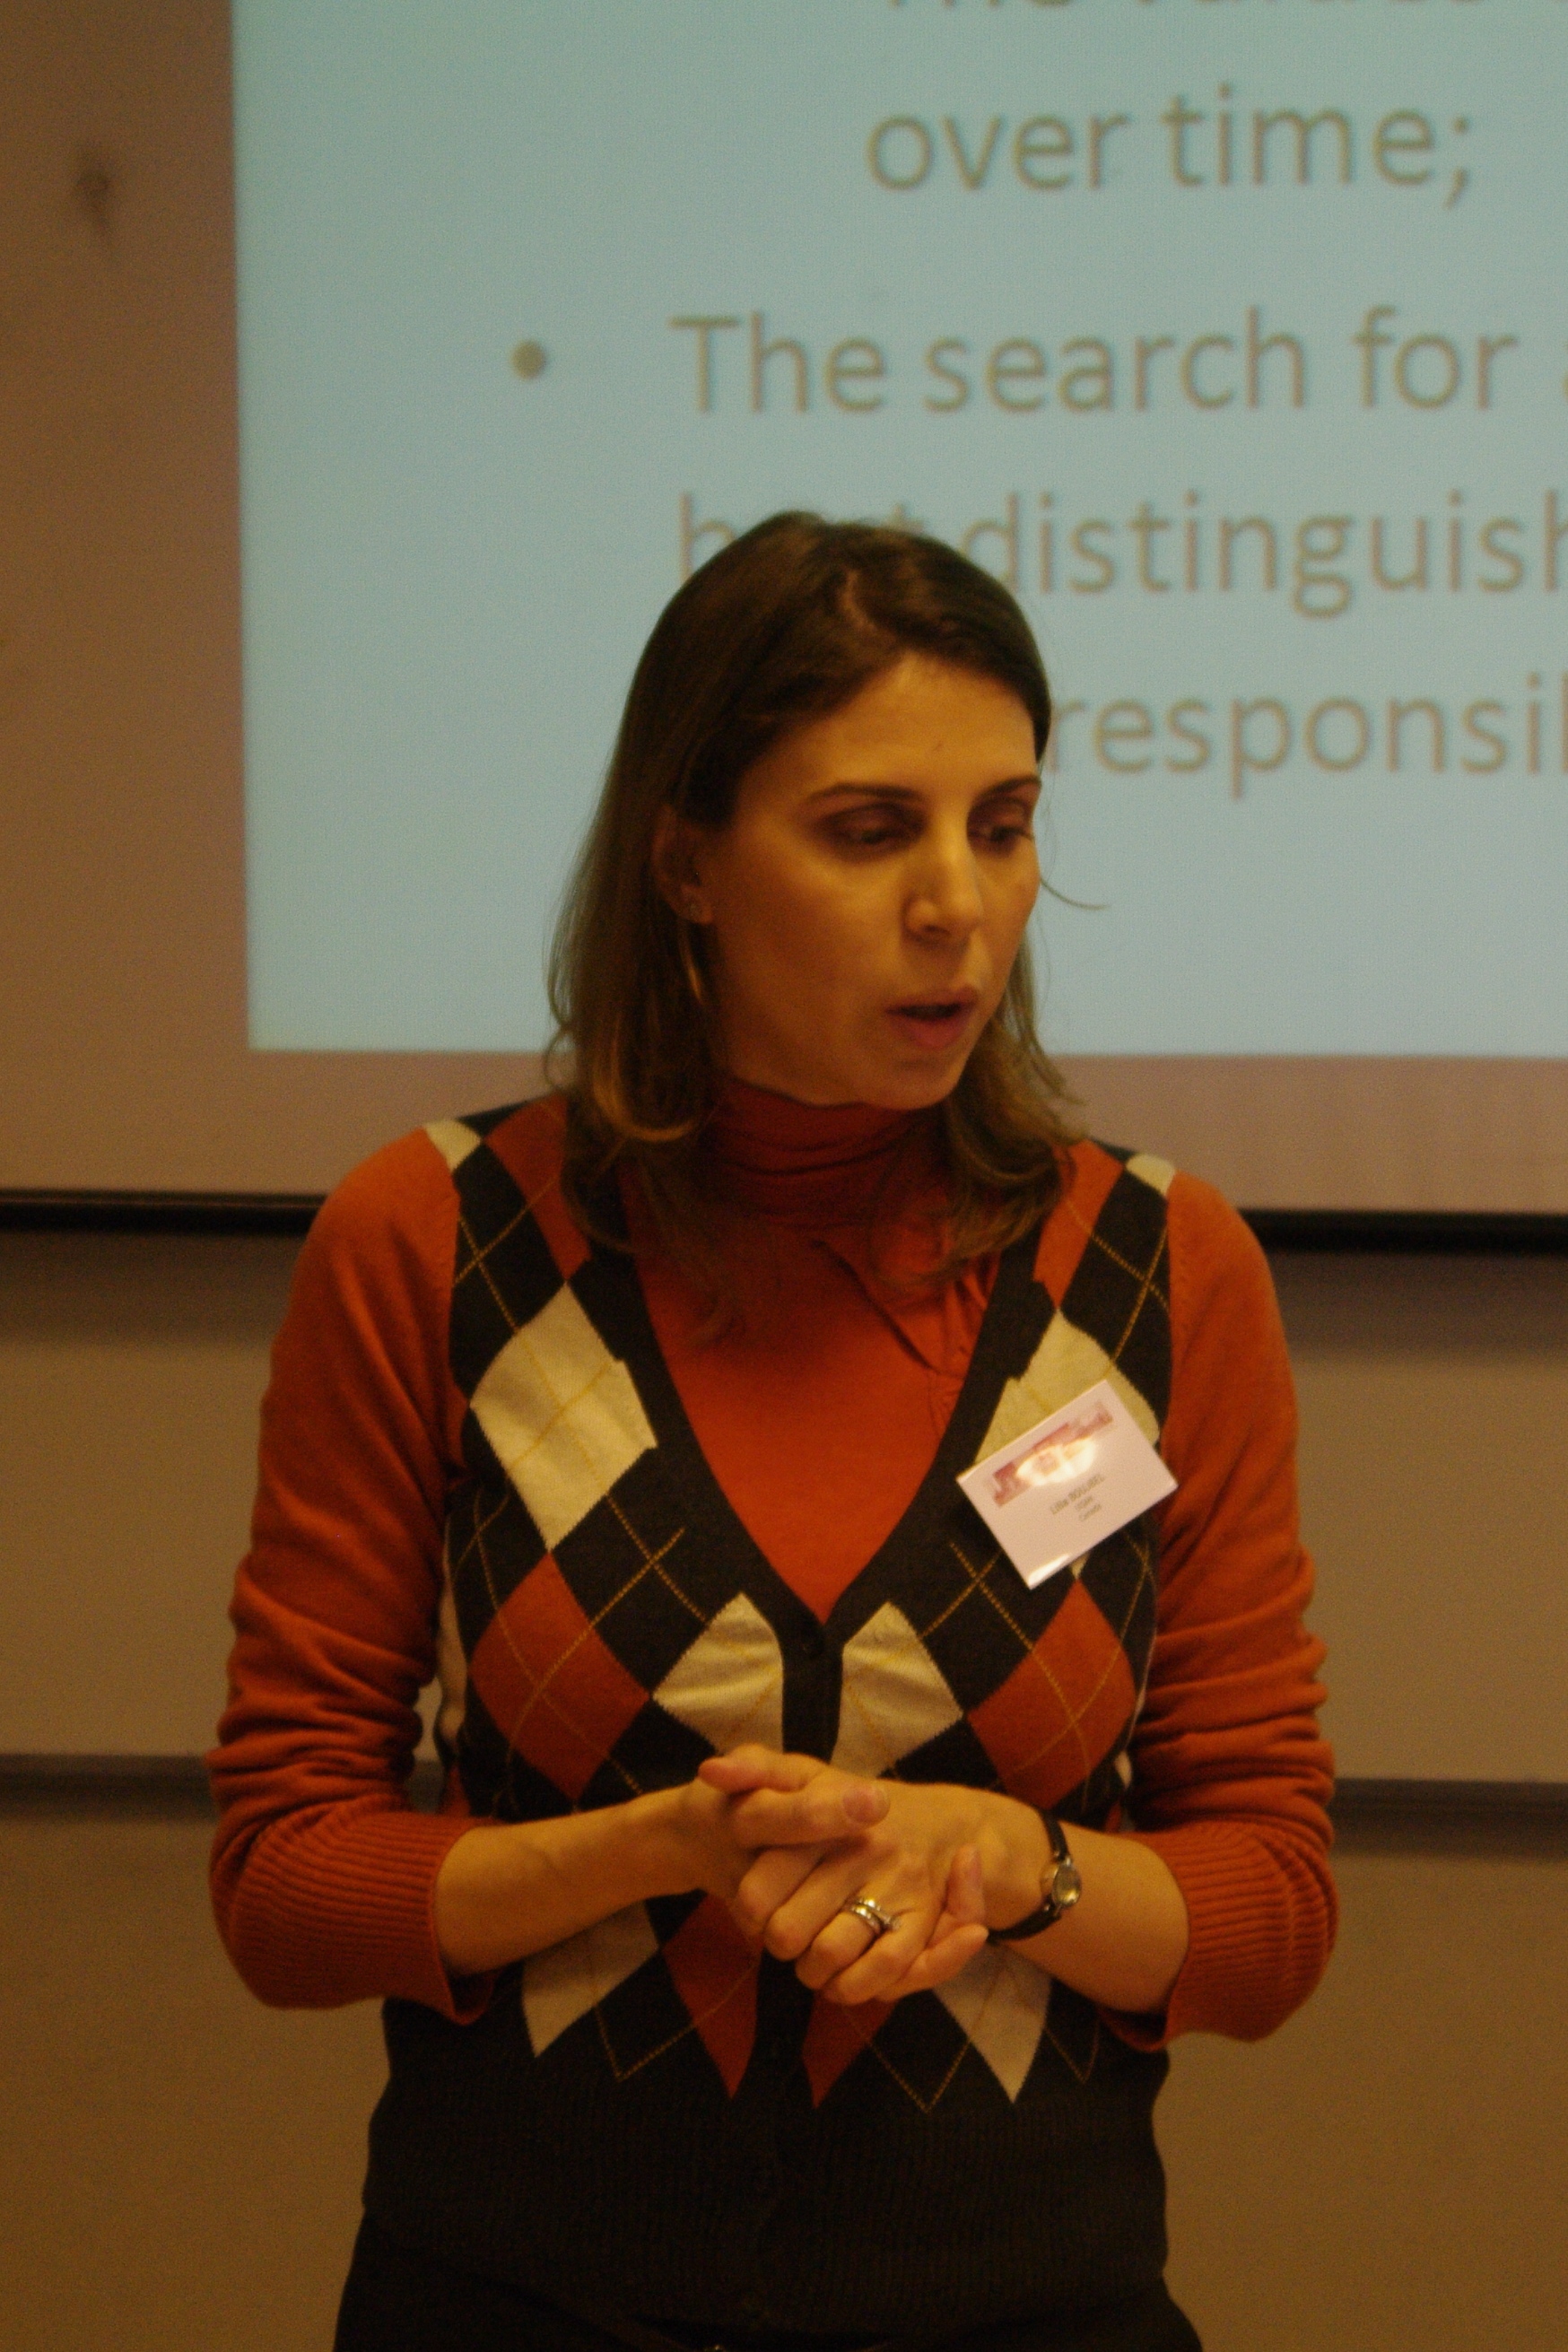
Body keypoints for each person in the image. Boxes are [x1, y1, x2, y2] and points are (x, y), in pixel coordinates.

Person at [209, 512, 1336, 2352]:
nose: (958, 904)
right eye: (869, 829)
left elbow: (1271, 1910)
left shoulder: (1152, 1269)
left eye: (1004, 824)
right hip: (515, 2301)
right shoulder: (441, 1241)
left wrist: (1018, 1864)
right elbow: (282, 1885)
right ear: (687, 864)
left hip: (1026, 2310)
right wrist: (658, 1849)